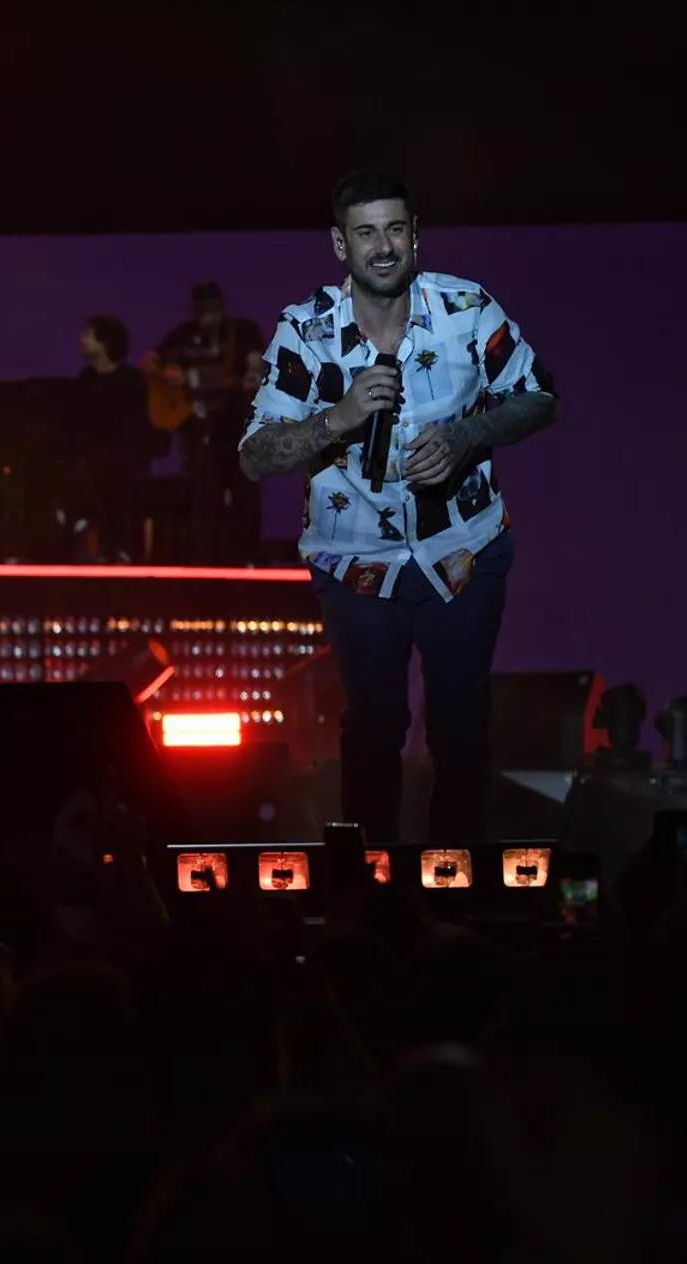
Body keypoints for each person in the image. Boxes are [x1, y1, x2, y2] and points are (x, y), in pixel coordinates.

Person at [239, 169, 557, 843]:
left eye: (394, 229)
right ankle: (370, 896)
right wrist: (339, 418)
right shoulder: (306, 331)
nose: (382, 246)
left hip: (463, 550)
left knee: (461, 724)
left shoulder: (467, 309)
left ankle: (457, 891)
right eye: (365, 232)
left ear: (416, 235)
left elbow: (538, 395)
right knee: (376, 725)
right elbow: (254, 455)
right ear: (339, 244)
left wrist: (469, 435)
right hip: (355, 563)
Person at [148, 281, 267, 564]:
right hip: (199, 428)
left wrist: (243, 376)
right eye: (201, 312)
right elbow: (150, 362)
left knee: (244, 493)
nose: (206, 319)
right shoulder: (183, 334)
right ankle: (206, 561)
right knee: (204, 496)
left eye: (212, 311)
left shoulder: (243, 332)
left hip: (237, 425)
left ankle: (248, 560)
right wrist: (169, 378)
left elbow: (254, 371)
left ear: (222, 309)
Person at [69, 315, 152, 561]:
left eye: (88, 335)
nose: (81, 340)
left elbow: (136, 426)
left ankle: (123, 552)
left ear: (103, 343)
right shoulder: (85, 380)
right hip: (90, 460)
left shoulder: (131, 381)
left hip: (122, 461)